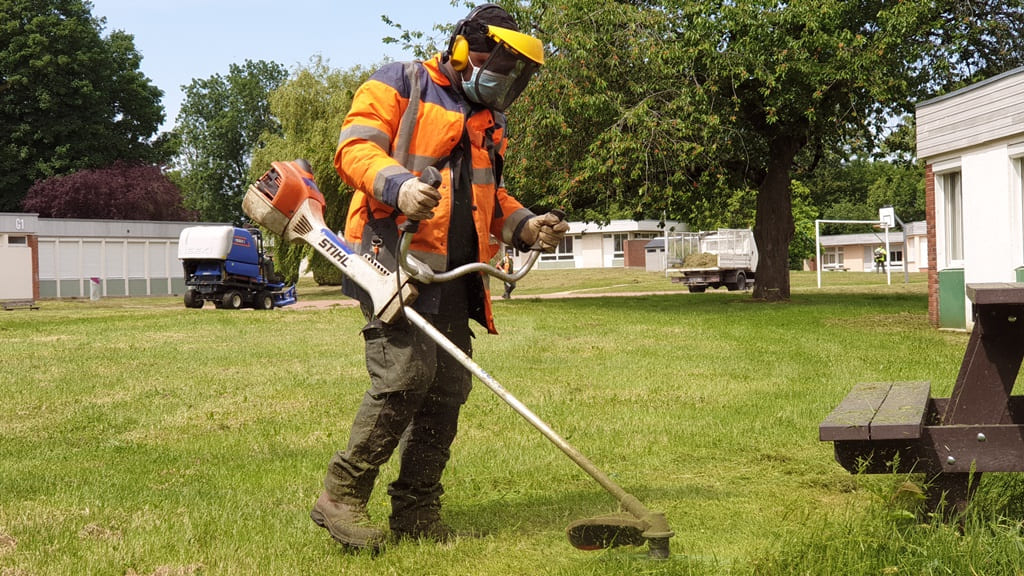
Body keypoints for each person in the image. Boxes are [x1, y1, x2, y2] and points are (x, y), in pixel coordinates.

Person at [309, 3, 569, 551]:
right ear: (459, 46)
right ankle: (342, 495)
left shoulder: (489, 121)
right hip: (389, 258)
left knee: (449, 386)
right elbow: (353, 148)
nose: (500, 76)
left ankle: (417, 509)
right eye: (491, 59)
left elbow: (489, 196)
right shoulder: (397, 82)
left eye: (511, 69)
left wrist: (526, 226)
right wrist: (398, 186)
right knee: (404, 374)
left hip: (454, 273)